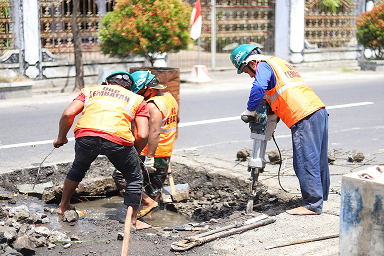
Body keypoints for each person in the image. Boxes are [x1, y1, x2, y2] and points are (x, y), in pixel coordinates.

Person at [230, 44, 329, 215]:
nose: (249, 76)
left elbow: (259, 87)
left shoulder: (263, 65)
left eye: (247, 71)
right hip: (318, 110)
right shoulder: (278, 62)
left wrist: (250, 110)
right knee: (317, 158)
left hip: (303, 115)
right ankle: (320, 197)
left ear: (251, 63)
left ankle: (312, 205)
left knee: (305, 161)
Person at [53, 70, 151, 230]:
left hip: (86, 135)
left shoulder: (90, 91)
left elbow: (68, 113)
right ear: (129, 88)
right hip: (117, 138)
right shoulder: (137, 99)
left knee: (78, 167)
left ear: (106, 83)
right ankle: (132, 222)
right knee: (134, 178)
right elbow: (142, 134)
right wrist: (136, 155)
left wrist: (61, 137)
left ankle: (63, 206)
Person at [113, 70, 179, 219]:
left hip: (150, 151)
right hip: (165, 150)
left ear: (149, 89)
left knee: (120, 175)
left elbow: (154, 133)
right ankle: (149, 216)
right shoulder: (170, 98)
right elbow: (176, 120)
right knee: (154, 185)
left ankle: (146, 204)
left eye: (140, 92)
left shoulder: (153, 105)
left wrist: (149, 158)